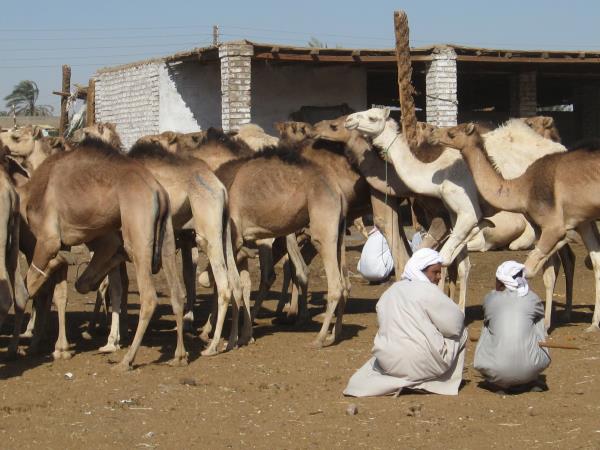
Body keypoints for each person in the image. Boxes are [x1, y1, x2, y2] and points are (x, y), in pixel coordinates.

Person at [344, 248, 468, 397]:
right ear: (421, 271)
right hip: (424, 364)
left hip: (390, 364)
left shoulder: (390, 291)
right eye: (435, 272)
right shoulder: (428, 291)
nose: (439, 277)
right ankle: (442, 383)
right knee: (462, 331)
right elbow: (454, 326)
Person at [474, 261, 551, 392]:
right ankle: (530, 377)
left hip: (497, 369)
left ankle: (497, 381)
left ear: (499, 281)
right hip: (530, 369)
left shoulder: (490, 298)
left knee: (488, 325)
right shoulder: (533, 298)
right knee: (537, 321)